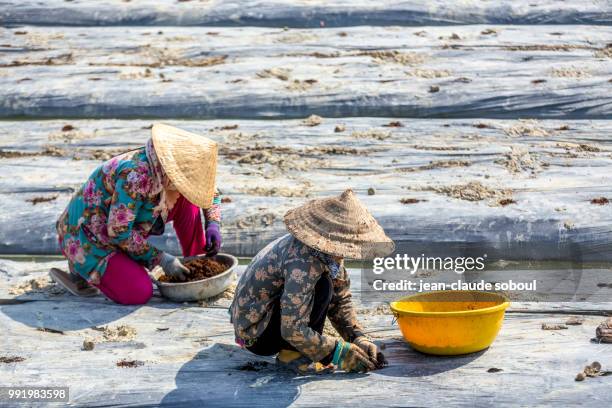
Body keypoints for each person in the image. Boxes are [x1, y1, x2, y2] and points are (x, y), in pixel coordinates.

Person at [52, 124, 222, 305]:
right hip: (89, 236)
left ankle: (194, 261)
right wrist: (162, 259)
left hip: (124, 223)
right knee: (138, 292)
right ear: (174, 169)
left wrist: (213, 223)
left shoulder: (170, 170)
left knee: (189, 203)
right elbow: (119, 232)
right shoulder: (136, 176)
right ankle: (79, 270)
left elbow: (209, 192)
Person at [230, 189, 395, 373]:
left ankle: (302, 348)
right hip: (256, 335)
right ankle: (292, 354)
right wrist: (336, 353)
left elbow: (340, 298)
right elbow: (291, 328)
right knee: (323, 287)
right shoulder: (304, 263)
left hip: (268, 320)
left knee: (328, 286)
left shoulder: (325, 254)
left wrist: (357, 337)